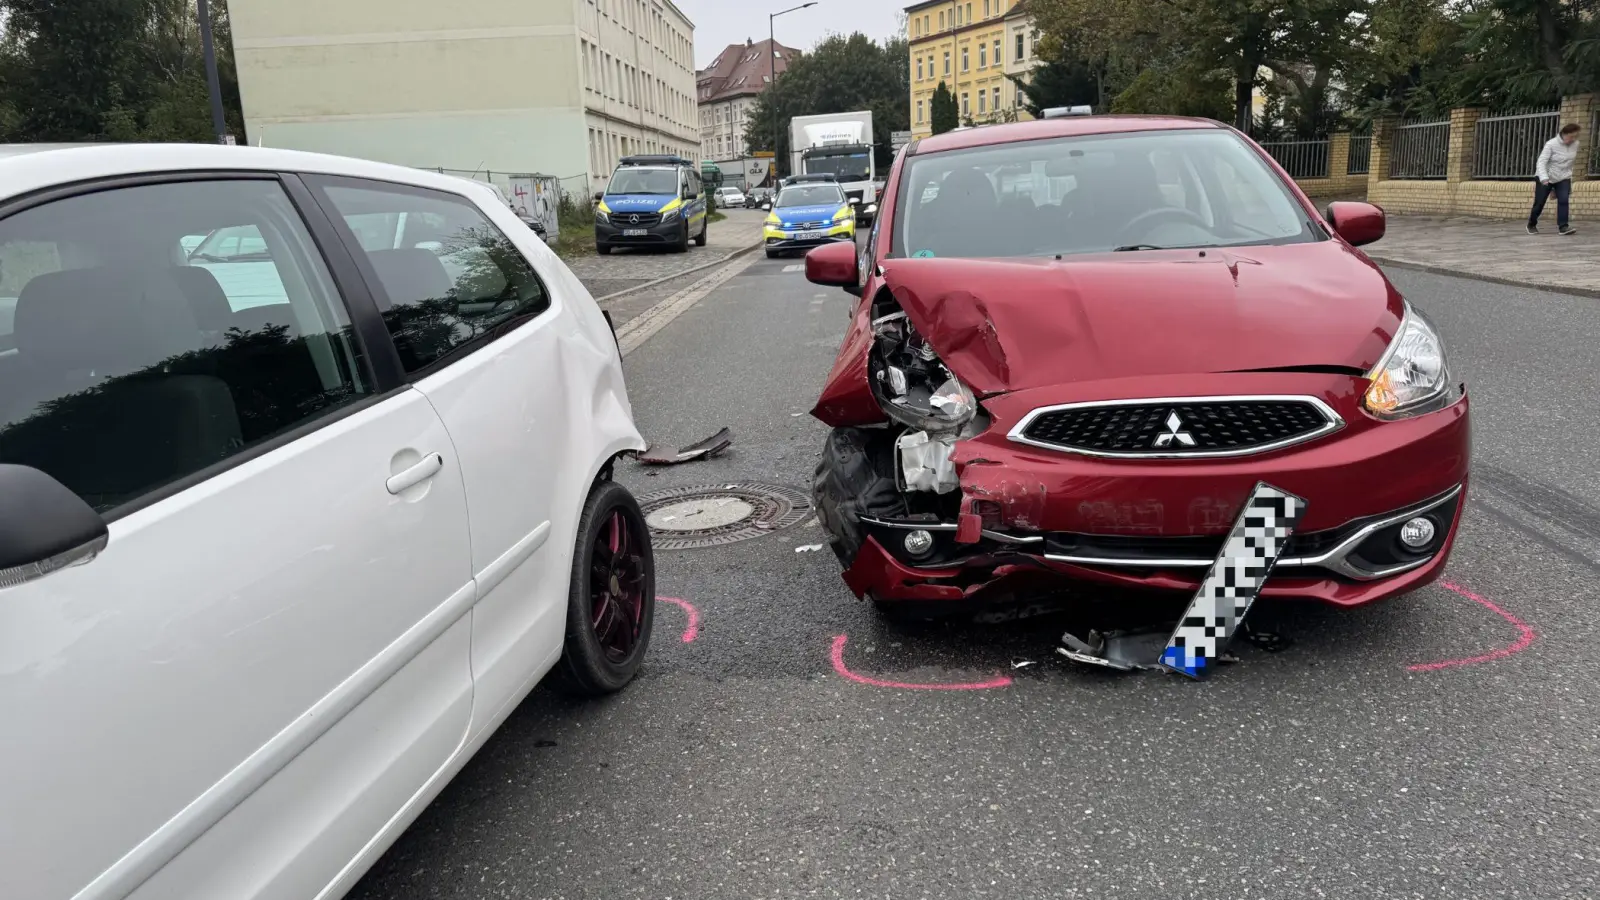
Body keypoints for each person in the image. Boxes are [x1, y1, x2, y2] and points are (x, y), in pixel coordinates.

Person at [1527, 122, 1581, 235]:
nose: (1573, 139)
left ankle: (1563, 227)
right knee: (1540, 202)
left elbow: (1569, 164)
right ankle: (1531, 224)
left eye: (1575, 137)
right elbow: (1541, 162)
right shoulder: (1551, 144)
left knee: (1564, 200)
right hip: (1546, 176)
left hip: (1563, 177)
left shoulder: (1575, 144)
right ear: (1564, 134)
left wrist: (1568, 180)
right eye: (1571, 136)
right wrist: (1544, 178)